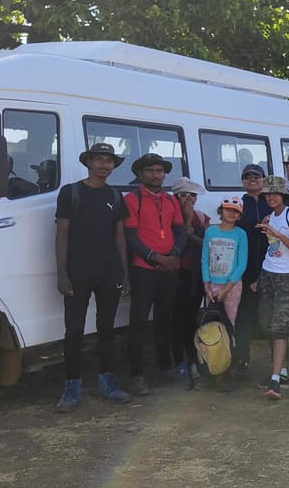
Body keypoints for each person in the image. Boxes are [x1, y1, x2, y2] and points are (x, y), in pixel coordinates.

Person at [53, 142, 131, 411]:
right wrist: (62, 273)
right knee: (74, 330)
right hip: (78, 272)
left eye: (108, 161)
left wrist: (125, 273)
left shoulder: (116, 196)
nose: (104, 165)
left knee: (107, 329)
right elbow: (62, 234)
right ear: (89, 163)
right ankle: (71, 387)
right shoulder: (71, 193)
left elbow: (120, 236)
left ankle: (107, 382)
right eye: (99, 160)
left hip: (109, 271)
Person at [123, 153, 185, 396]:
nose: (156, 175)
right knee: (138, 323)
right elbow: (129, 237)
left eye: (160, 170)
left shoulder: (171, 201)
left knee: (165, 320)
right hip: (144, 269)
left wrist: (175, 254)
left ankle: (165, 366)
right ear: (140, 174)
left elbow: (179, 232)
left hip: (170, 269)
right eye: (150, 170)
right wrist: (155, 258)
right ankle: (136, 375)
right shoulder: (132, 199)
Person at [253, 176, 289, 399]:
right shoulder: (269, 216)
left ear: (283, 195)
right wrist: (259, 277)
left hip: (288, 276)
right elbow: (269, 250)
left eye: (275, 193)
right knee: (267, 324)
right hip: (268, 274)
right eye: (268, 193)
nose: (271, 197)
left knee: (280, 326)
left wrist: (278, 234)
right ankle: (281, 372)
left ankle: (274, 380)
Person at [169, 177, 210, 382]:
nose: (188, 199)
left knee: (192, 318)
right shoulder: (168, 217)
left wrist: (190, 229)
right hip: (176, 274)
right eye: (182, 195)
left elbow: (210, 243)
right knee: (176, 320)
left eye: (192, 195)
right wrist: (185, 221)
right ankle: (179, 361)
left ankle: (194, 358)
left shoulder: (202, 218)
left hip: (195, 274)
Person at [232, 163, 269, 378]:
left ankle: (278, 363)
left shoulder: (272, 202)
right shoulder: (238, 204)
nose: (252, 180)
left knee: (272, 315)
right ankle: (242, 360)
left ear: (263, 179)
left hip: (272, 268)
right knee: (243, 316)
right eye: (247, 177)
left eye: (256, 176)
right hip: (244, 270)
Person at [201, 196, 249, 325]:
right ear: (221, 211)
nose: (231, 213)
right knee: (211, 319)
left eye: (236, 211)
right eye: (228, 209)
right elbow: (205, 258)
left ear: (239, 216)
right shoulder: (210, 231)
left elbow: (242, 264)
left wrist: (227, 288)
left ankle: (228, 345)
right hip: (212, 284)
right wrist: (206, 284)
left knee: (229, 320)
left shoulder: (241, 234)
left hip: (232, 286)